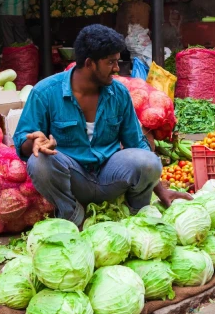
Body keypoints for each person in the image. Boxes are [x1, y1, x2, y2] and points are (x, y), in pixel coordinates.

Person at [14, 25, 190, 227]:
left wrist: (161, 191)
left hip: (110, 175)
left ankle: (137, 217)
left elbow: (137, 144)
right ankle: (73, 217)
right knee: (39, 161)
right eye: (111, 62)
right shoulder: (45, 92)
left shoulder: (119, 93)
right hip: (73, 177)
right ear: (89, 63)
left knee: (148, 160)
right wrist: (35, 142)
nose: (117, 68)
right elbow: (22, 141)